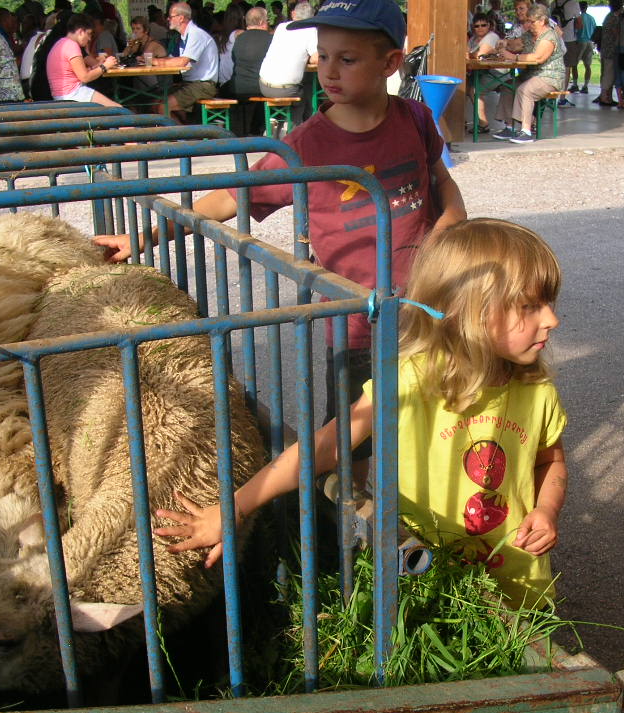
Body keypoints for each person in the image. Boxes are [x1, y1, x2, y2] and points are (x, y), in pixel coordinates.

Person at [94, 0, 467, 479]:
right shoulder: (305, 146)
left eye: (347, 59)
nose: (329, 70)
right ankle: (354, 529)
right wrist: (144, 237)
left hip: (429, 305)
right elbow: (232, 198)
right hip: (358, 321)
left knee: (436, 417)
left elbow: (440, 179)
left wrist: (452, 222)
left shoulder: (413, 119)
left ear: (391, 63)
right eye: (323, 55)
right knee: (353, 440)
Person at [155, 218, 567, 610]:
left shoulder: (537, 391)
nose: (552, 319)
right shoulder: (411, 382)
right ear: (468, 313)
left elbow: (550, 461)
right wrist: (236, 506)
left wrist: (546, 510)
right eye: (530, 306)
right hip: (426, 582)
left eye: (548, 303)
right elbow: (326, 446)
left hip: (519, 586)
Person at [492, 3, 566, 143]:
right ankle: (510, 126)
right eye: (527, 21)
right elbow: (517, 44)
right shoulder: (530, 35)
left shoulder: (549, 36)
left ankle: (526, 130)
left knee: (525, 90)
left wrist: (513, 57)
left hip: (549, 76)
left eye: (531, 22)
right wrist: (505, 43)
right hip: (531, 75)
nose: (529, 24)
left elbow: (538, 57)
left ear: (542, 20)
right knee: (508, 86)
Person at [152, 2, 219, 123]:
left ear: (181, 18)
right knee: (156, 102)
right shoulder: (184, 35)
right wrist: (155, 60)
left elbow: (182, 62)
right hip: (191, 83)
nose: (167, 19)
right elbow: (172, 59)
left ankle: (179, 139)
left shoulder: (195, 34)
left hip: (203, 85)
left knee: (164, 106)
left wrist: (154, 62)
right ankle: (185, 134)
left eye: (170, 16)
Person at [258, 1, 319, 126]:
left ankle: (275, 123)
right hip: (286, 90)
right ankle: (292, 129)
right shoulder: (311, 30)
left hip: (263, 85)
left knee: (294, 91)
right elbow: (316, 59)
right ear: (313, 17)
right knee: (305, 94)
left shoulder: (281, 27)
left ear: (293, 14)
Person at [45, 12, 120, 106]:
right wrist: (105, 66)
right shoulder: (72, 46)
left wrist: (98, 66)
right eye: (89, 34)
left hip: (63, 95)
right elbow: (85, 77)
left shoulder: (61, 43)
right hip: (73, 94)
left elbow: (78, 73)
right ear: (81, 32)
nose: (89, 39)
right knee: (118, 109)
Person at [230, 6, 272, 134]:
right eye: (267, 20)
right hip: (261, 88)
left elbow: (234, 58)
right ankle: (258, 130)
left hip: (237, 87)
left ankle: (233, 129)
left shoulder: (239, 39)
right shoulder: (271, 39)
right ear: (261, 22)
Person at [467, 11, 502, 133]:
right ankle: (460, 121)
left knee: (475, 91)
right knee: (463, 86)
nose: (480, 28)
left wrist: (470, 54)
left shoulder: (491, 37)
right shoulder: (472, 39)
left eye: (483, 25)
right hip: (481, 71)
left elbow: (481, 54)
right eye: (477, 26)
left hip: (498, 72)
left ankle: (483, 123)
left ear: (489, 25)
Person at [551, 0, 582, 105]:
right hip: (569, 39)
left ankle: (551, 96)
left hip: (555, 39)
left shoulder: (554, 3)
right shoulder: (573, 3)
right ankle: (562, 97)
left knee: (554, 68)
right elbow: (579, 23)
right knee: (567, 68)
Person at [594, 0, 622, 106]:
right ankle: (604, 97)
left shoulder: (609, 17)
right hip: (610, 50)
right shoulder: (614, 18)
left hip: (606, 49)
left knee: (607, 72)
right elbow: (616, 34)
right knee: (608, 74)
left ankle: (607, 97)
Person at [214, 1, 246, 96]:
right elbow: (251, 38)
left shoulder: (222, 37)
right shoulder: (237, 33)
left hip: (223, 83)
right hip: (233, 83)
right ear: (241, 18)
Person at [571, 1, 595, 93]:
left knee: (574, 64)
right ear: (587, 7)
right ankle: (585, 86)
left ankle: (575, 84)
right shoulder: (591, 18)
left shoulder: (578, 18)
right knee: (588, 65)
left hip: (580, 42)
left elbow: (575, 30)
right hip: (589, 42)